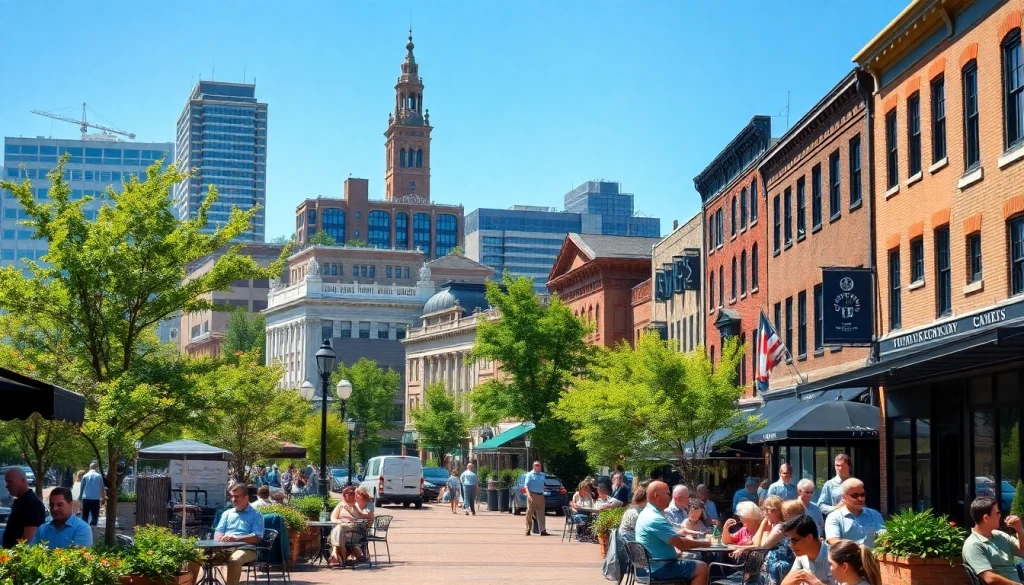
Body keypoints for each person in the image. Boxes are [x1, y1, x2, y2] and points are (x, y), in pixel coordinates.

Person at [635, 480, 709, 585]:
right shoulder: (655, 518)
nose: (670, 498)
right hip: (660, 568)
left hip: (651, 567)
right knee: (702, 567)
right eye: (668, 494)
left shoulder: (646, 513)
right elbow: (681, 544)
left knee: (689, 559)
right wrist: (703, 542)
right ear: (657, 496)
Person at [188, 483, 263, 585]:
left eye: (236, 496)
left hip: (246, 548)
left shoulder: (256, 515)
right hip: (223, 548)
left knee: (234, 561)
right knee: (193, 556)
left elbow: (257, 537)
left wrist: (236, 538)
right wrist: (219, 537)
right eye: (231, 496)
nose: (233, 499)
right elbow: (218, 533)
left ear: (246, 497)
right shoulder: (227, 513)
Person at [962, 496, 1024, 585]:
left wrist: (1020, 531)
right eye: (997, 513)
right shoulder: (973, 544)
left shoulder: (999, 535)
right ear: (986, 518)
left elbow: (1022, 551)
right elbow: (989, 577)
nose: (1000, 515)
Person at [824, 478, 885, 548]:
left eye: (862, 495)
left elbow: (883, 535)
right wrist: (857, 550)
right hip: (847, 557)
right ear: (844, 497)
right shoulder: (834, 517)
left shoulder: (874, 515)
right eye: (855, 496)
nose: (860, 499)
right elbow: (834, 541)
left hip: (872, 558)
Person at [754, 499, 803, 585]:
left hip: (779, 565)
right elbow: (755, 541)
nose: (784, 516)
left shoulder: (781, 527)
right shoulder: (781, 526)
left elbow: (763, 546)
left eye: (787, 514)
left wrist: (764, 529)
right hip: (773, 564)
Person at [781, 514, 836, 585]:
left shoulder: (834, 557)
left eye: (795, 540)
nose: (791, 545)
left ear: (809, 537)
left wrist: (815, 582)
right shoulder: (801, 555)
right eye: (790, 541)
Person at [2, 467, 46, 548]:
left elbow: (27, 539)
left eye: (9, 482)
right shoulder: (22, 501)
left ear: (23, 481)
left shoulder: (32, 503)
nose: (7, 486)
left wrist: (14, 555)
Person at [328, 486, 371, 565]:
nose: (346, 497)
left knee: (338, 530)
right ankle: (341, 557)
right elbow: (333, 517)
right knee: (339, 528)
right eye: (345, 495)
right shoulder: (341, 505)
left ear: (354, 495)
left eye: (349, 495)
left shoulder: (359, 505)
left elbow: (367, 517)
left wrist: (354, 510)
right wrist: (338, 521)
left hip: (354, 531)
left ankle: (335, 554)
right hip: (343, 531)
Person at [523, 461, 549, 536]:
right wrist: (528, 495)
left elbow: (545, 484)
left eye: (539, 465)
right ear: (533, 466)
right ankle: (528, 530)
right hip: (532, 495)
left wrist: (545, 491)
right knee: (529, 513)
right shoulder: (529, 475)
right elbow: (526, 486)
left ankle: (543, 530)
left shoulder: (543, 475)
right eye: (536, 465)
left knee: (541, 514)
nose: (538, 467)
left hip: (541, 496)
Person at [79, 462, 105, 527]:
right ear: (97, 468)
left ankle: (84, 529)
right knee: (95, 515)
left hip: (86, 498)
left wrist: (80, 497)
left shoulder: (85, 476)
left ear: (90, 467)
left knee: (85, 515)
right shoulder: (99, 476)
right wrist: (103, 497)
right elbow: (102, 487)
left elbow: (82, 487)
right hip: (95, 498)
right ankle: (93, 529)